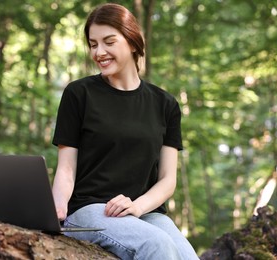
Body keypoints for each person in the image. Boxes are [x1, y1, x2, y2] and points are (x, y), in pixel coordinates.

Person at [51, 3, 198, 259]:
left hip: (145, 212)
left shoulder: (165, 104)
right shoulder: (79, 94)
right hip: (89, 209)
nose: (99, 52)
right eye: (93, 44)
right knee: (157, 246)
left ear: (132, 42)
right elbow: (66, 168)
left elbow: (167, 180)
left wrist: (137, 206)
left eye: (109, 41)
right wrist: (57, 208)